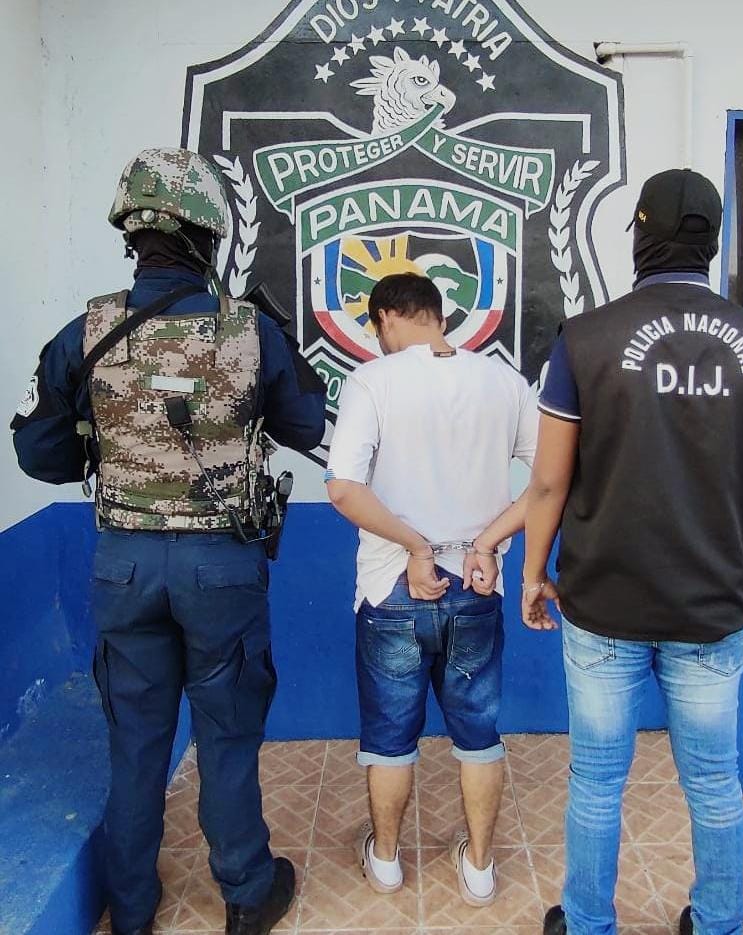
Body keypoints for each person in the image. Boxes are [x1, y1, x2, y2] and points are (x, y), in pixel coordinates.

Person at [11, 148, 326, 935]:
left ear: (132, 232)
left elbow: (38, 454)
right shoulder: (251, 330)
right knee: (226, 737)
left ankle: (132, 909)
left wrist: (104, 444)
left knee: (136, 742)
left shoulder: (84, 332)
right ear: (209, 234)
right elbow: (306, 423)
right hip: (222, 566)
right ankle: (246, 894)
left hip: (123, 564)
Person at [522, 169, 743, 935]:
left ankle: (587, 923)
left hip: (600, 602)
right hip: (712, 605)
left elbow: (547, 482)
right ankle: (717, 923)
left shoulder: (584, 339)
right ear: (711, 241)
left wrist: (533, 572)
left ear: (641, 236)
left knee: (596, 782)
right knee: (713, 783)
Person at [325, 271, 537, 906]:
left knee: (389, 736)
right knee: (478, 733)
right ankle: (479, 867)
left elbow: (343, 488)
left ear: (387, 318)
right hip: (476, 581)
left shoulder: (373, 380)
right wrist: (485, 542)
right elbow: (553, 481)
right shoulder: (504, 381)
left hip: (393, 587)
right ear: (439, 317)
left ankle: (387, 860)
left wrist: (417, 548)